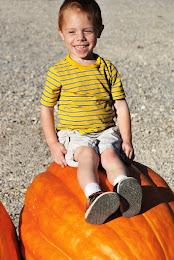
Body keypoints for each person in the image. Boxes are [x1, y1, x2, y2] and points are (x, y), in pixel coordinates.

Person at [40, 0, 142, 225]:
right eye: (72, 32)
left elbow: (120, 106)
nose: (80, 38)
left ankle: (124, 189)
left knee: (111, 156)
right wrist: (53, 143)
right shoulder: (58, 72)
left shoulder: (107, 68)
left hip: (105, 131)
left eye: (87, 31)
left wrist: (126, 139)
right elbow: (46, 107)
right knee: (88, 156)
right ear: (61, 34)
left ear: (100, 31)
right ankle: (94, 195)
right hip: (75, 134)